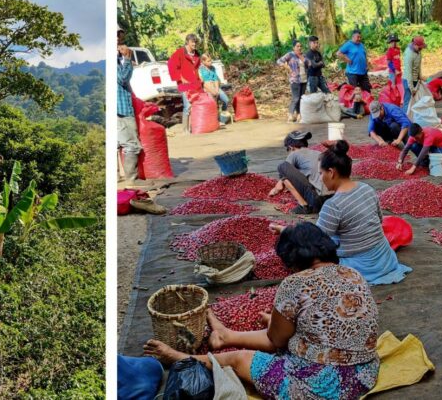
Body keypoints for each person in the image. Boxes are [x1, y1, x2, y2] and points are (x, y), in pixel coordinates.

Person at [143, 222, 380, 400]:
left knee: (240, 358)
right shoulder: (353, 274)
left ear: (291, 259)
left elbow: (274, 341)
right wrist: (278, 323)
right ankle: (226, 335)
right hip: (364, 375)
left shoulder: (295, 283)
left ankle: (185, 358)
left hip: (325, 387)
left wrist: (275, 327)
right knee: (284, 334)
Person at [312, 141, 412, 284]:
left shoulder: (332, 205)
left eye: (321, 173)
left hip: (361, 267)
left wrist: (288, 231)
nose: (320, 178)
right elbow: (379, 220)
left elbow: (316, 241)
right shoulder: (367, 188)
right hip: (385, 259)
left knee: (309, 260)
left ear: (331, 172)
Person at [269, 131, 333, 214]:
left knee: (282, 166)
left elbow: (281, 182)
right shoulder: (318, 153)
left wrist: (275, 189)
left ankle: (303, 206)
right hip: (330, 201)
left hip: (316, 201)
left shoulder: (294, 154)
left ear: (291, 147)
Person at [117, 34, 142, 184]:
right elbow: (123, 78)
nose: (120, 40)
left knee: (116, 144)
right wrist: (127, 59)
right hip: (121, 107)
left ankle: (117, 180)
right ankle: (131, 180)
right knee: (132, 145)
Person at [167, 34, 202, 133]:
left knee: (195, 105)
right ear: (187, 42)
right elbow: (171, 64)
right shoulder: (180, 52)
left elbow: (197, 68)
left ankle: (194, 126)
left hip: (195, 83)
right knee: (187, 106)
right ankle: (185, 129)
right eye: (192, 42)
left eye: (195, 42)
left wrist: (200, 78)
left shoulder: (196, 54)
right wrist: (180, 78)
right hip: (185, 84)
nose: (194, 44)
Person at [277, 40, 309, 123]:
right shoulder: (290, 55)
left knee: (301, 98)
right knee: (296, 98)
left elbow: (308, 64)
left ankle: (298, 114)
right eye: (297, 46)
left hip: (304, 79)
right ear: (293, 47)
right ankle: (290, 114)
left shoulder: (303, 55)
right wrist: (286, 67)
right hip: (295, 79)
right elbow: (279, 61)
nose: (299, 48)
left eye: (300, 46)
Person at [198, 53, 230, 124]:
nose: (210, 62)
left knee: (226, 100)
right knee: (213, 104)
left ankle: (222, 117)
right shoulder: (200, 69)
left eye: (211, 60)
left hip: (215, 86)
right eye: (208, 61)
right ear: (203, 62)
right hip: (207, 87)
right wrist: (212, 91)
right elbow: (203, 83)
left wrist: (216, 89)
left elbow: (215, 79)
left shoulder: (213, 68)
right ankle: (214, 121)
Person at [400, 36, 426, 110]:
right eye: (419, 47)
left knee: (415, 101)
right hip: (408, 80)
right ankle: (404, 119)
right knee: (408, 101)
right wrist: (412, 89)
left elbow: (418, 66)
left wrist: (420, 77)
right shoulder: (409, 54)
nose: (421, 49)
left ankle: (413, 118)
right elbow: (409, 73)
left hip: (415, 79)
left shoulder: (418, 52)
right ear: (414, 45)